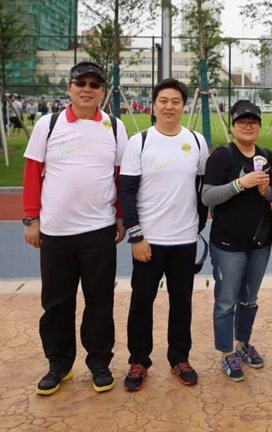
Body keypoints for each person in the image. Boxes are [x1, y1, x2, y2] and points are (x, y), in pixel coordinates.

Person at [22, 61, 128, 395]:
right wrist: (31, 218)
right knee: (56, 303)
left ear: (102, 92)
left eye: (94, 84)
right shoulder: (48, 125)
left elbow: (120, 177)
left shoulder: (114, 127)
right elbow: (32, 173)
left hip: (99, 230)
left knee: (100, 302)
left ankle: (99, 363)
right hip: (56, 231)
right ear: (69, 88)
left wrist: (121, 217)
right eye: (81, 83)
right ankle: (59, 365)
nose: (87, 89)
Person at [119, 78, 209, 392]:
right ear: (154, 105)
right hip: (149, 241)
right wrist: (136, 236)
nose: (169, 106)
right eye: (163, 101)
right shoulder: (140, 141)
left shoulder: (196, 141)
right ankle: (138, 361)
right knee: (141, 303)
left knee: (181, 303)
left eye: (176, 101)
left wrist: (198, 225)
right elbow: (126, 192)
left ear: (183, 106)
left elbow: (202, 189)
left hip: (184, 240)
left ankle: (179, 358)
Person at [202, 100, 272, 381]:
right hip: (228, 243)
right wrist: (239, 184)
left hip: (260, 241)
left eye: (253, 122)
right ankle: (226, 353)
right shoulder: (222, 156)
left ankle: (243, 344)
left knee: (250, 299)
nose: (248, 126)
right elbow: (207, 197)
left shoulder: (267, 156)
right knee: (226, 300)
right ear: (233, 125)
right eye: (243, 122)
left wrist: (265, 190)